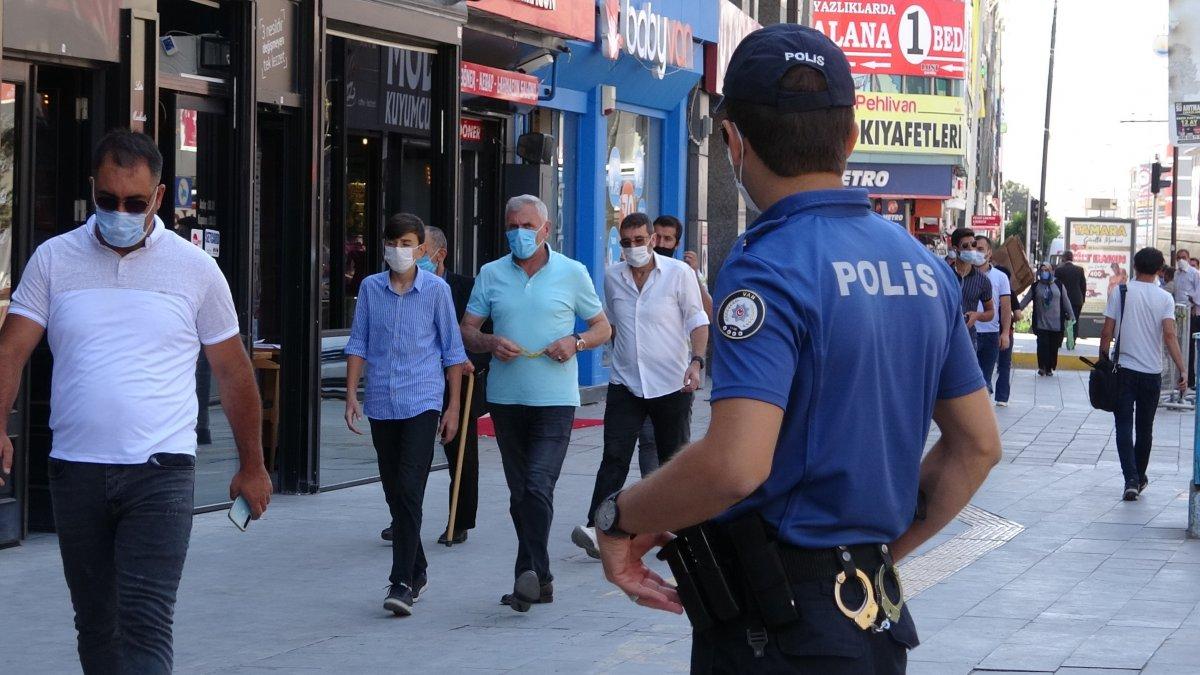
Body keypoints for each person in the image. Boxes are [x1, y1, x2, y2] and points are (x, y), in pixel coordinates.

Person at [593, 25, 1001, 672]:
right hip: (874, 617)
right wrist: (874, 552)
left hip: (778, 632)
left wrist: (620, 518)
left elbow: (735, 464)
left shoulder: (768, 266)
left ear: (733, 141)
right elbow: (977, 444)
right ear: (851, 136)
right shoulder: (922, 266)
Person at [0, 130, 273, 673]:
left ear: (160, 196)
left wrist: (253, 465)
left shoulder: (195, 270)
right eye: (107, 200)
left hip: (161, 472)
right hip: (75, 472)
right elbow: (11, 350)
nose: (118, 212)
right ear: (92, 191)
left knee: (146, 621)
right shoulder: (54, 261)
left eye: (134, 202)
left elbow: (235, 373)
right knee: (96, 623)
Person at [460, 194, 612, 612]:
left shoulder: (572, 272)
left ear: (546, 230)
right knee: (519, 494)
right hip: (507, 400)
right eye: (513, 226)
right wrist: (489, 341)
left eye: (527, 226)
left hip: (555, 401)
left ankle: (529, 574)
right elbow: (467, 330)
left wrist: (575, 342)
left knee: (536, 485)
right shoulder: (491, 274)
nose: (519, 234)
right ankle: (539, 579)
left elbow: (602, 327)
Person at [343, 213, 468, 616]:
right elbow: (358, 343)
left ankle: (401, 581)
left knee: (411, 487)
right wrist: (350, 395)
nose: (399, 250)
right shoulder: (370, 289)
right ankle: (419, 567)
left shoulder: (435, 291)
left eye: (407, 243)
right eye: (393, 242)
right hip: (381, 401)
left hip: (422, 402)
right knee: (393, 488)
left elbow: (452, 352)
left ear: (421, 249)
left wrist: (453, 408)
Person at [570, 212, 709, 559]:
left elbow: (697, 320)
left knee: (672, 459)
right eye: (626, 242)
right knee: (614, 457)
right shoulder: (613, 277)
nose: (634, 248)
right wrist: (585, 341)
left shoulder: (678, 274)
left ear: (651, 240)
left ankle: (682, 528)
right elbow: (613, 325)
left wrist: (697, 361)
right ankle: (597, 527)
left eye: (639, 241)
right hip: (626, 383)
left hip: (672, 383)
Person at [418, 225, 490, 546]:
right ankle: (404, 518)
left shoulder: (467, 288)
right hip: (418, 380)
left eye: (420, 250)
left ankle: (459, 522)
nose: (413, 257)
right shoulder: (406, 286)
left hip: (458, 378)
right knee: (410, 456)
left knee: (461, 454)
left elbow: (480, 333)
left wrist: (470, 361)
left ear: (439, 254)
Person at [1099, 247, 1186, 501]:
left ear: (1135, 266)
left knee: (1123, 426)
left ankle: (1131, 479)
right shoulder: (1164, 299)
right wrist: (1182, 368)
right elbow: (1169, 336)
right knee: (1145, 428)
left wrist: (1103, 361)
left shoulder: (1121, 293)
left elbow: (1107, 332)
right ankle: (1140, 475)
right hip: (1151, 373)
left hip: (1123, 370)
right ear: (1160, 270)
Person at [972, 236, 1012, 404]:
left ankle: (982, 416)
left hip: (990, 333)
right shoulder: (963, 276)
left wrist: (1004, 333)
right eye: (974, 248)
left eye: (981, 249)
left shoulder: (1000, 277)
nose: (976, 252)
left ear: (989, 252)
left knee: (985, 380)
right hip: (969, 332)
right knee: (970, 379)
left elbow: (1006, 307)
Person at [1019, 263, 1076, 376]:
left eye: (1047, 270)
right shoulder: (1036, 286)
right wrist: (1016, 309)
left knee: (1053, 347)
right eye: (1042, 270)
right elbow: (1026, 300)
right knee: (1042, 345)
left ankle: (1049, 368)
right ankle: (1042, 367)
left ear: (1051, 271)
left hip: (1056, 324)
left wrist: (1071, 315)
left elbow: (1065, 300)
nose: (1044, 272)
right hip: (1041, 323)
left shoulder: (1059, 285)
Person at [949, 228, 994, 351]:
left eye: (973, 244)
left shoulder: (982, 280)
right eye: (965, 245)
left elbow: (990, 312)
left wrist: (977, 315)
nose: (970, 248)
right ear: (955, 249)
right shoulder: (944, 274)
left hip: (968, 340)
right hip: (945, 338)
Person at [1171, 249, 1199, 388]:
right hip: (1179, 313)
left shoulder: (1195, 274)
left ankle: (1191, 380)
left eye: (1183, 257)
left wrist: (1195, 305)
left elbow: (1198, 292)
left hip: (1190, 313)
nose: (1181, 260)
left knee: (1189, 348)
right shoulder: (1177, 273)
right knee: (1179, 345)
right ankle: (1179, 379)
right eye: (1178, 258)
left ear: (1188, 259)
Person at [1055, 250, 1087, 324]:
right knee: (1074, 323)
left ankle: (1061, 335)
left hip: (1062, 301)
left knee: (1061, 322)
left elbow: (1056, 286)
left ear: (1064, 258)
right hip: (1076, 300)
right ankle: (1072, 335)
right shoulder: (1079, 270)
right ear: (1072, 258)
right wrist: (1082, 299)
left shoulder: (1059, 270)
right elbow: (1083, 286)